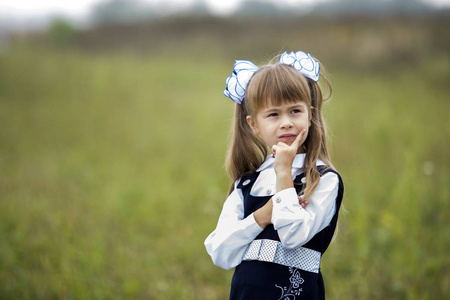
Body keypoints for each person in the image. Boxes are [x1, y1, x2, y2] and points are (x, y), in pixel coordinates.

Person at [204, 51, 344, 300]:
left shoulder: (323, 179)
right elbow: (220, 252)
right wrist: (260, 217)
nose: (286, 123)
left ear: (310, 115)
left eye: (295, 111)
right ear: (253, 124)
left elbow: (293, 236)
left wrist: (283, 174)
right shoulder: (246, 183)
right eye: (273, 115)